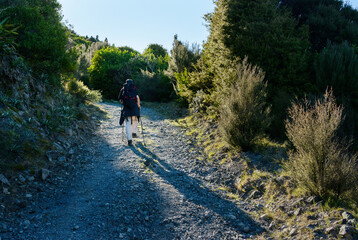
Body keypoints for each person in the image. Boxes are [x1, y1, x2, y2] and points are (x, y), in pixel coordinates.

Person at [118, 79, 141, 146]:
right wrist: (139, 105)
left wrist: (124, 103)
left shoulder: (123, 89)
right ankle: (134, 132)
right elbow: (137, 97)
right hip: (134, 108)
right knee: (135, 120)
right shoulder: (134, 88)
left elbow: (121, 100)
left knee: (128, 123)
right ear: (132, 83)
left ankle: (129, 140)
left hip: (126, 108)